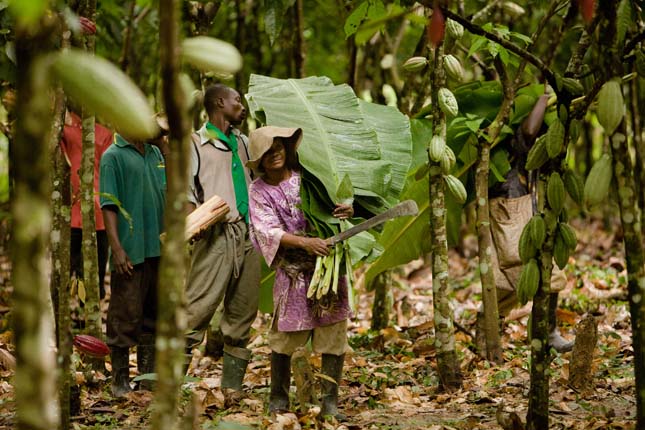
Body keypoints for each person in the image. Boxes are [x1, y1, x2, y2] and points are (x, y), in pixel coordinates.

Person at [246, 126, 353, 419]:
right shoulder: (258, 191)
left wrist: (346, 209)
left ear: (286, 147)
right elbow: (267, 230)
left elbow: (335, 204)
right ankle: (278, 398)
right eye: (267, 153)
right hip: (293, 270)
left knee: (333, 334)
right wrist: (305, 243)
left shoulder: (307, 177)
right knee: (285, 337)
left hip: (327, 267)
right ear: (259, 161)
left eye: (278, 147)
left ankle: (330, 403)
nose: (274, 154)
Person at [478, 95, 573, 354]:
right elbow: (529, 131)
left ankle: (489, 337)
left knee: (507, 282)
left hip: (514, 209)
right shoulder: (513, 142)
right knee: (537, 274)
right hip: (508, 210)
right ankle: (544, 333)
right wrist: (545, 97)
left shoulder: (523, 154)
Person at [184, 84, 261, 394]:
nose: (241, 106)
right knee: (196, 308)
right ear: (219, 103)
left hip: (248, 233)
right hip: (215, 234)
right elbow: (187, 191)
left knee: (243, 311)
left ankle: (232, 389)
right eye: (236, 101)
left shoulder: (243, 143)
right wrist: (194, 224)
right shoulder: (195, 143)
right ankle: (172, 387)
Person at [99, 127, 167, 397]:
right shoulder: (112, 156)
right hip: (131, 249)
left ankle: (147, 378)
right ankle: (119, 381)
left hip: (158, 248)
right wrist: (117, 248)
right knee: (125, 315)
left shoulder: (155, 152)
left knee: (153, 316)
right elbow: (108, 205)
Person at [59, 109, 113, 299]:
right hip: (78, 214)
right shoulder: (63, 131)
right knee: (80, 275)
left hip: (93, 215)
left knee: (87, 276)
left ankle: (84, 322)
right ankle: (77, 320)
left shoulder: (103, 135)